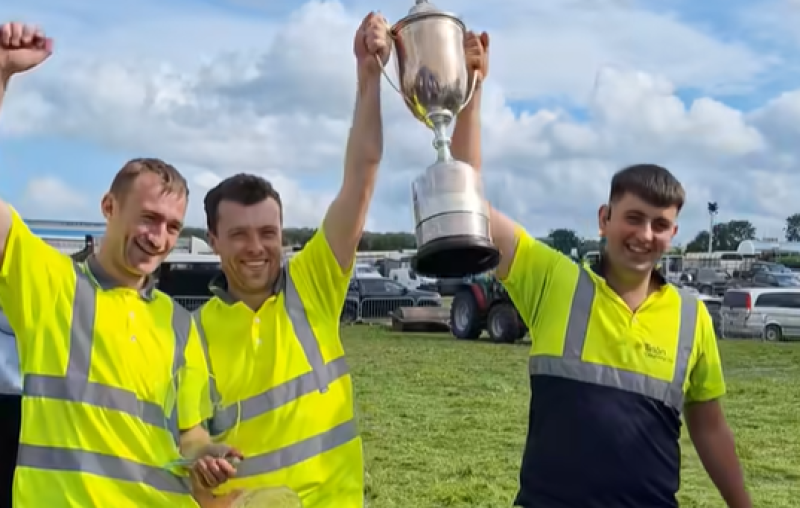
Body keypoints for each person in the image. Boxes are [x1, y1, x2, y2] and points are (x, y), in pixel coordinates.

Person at [451, 32, 752, 508]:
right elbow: (466, 200)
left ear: (674, 233)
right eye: (633, 218)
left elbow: (710, 426)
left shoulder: (692, 318)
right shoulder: (554, 281)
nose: (645, 234)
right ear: (604, 219)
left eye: (660, 224)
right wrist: (473, 92)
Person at [0, 22, 239, 507]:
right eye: (148, 218)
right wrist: (1, 74)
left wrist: (207, 456)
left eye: (172, 226)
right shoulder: (50, 284)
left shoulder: (178, 324)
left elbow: (189, 434)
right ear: (109, 207)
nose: (159, 237)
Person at [189, 12, 389, 508]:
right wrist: (203, 462)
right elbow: (189, 436)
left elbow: (362, 173)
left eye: (268, 233)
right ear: (213, 240)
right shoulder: (192, 334)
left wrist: (368, 78)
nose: (256, 247)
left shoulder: (314, 282)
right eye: (239, 234)